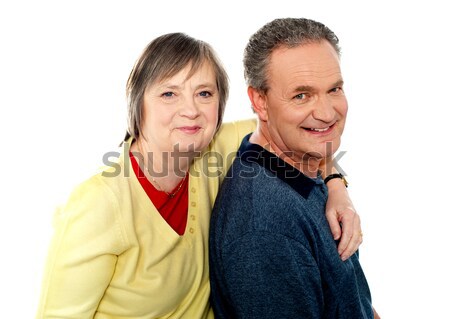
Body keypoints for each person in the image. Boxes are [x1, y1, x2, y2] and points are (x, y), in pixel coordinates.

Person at [36, 32, 363, 318]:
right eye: (169, 94)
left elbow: (306, 129)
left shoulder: (215, 148)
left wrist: (337, 187)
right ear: (137, 104)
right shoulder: (98, 205)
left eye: (205, 93)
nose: (190, 109)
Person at [209, 18, 379, 319]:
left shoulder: (300, 161)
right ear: (259, 102)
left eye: (334, 89)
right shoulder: (264, 227)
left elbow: (349, 299)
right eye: (302, 95)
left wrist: (336, 181)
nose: (327, 113)